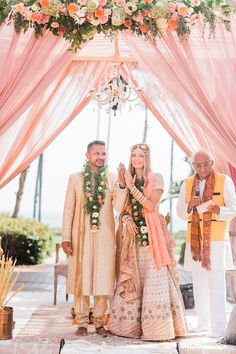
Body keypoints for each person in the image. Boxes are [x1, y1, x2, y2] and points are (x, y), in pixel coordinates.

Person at [108, 143, 187, 341]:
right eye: (133, 155)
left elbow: (151, 206)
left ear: (147, 158)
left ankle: (157, 328)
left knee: (154, 276)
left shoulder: (156, 177)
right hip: (131, 239)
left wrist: (132, 187)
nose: (136, 159)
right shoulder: (127, 178)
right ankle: (129, 328)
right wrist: (123, 186)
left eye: (140, 156)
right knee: (133, 276)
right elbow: (121, 207)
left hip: (152, 236)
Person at [62, 140, 127, 337]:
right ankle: (81, 321)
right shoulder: (76, 178)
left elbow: (119, 206)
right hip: (80, 236)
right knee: (81, 278)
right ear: (87, 155)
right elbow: (68, 209)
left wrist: (123, 183)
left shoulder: (112, 178)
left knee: (103, 278)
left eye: (103, 154)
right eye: (97, 153)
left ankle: (99, 322)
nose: (100, 157)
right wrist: (66, 237)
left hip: (105, 237)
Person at [176, 149, 236, 338]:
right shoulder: (186, 184)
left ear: (212, 162)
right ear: (193, 165)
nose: (202, 168)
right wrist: (190, 206)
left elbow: (233, 208)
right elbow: (180, 213)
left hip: (216, 240)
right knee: (199, 282)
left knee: (216, 283)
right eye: (198, 165)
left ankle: (218, 328)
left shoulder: (224, 180)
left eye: (205, 164)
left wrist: (217, 208)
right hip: (194, 241)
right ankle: (203, 323)